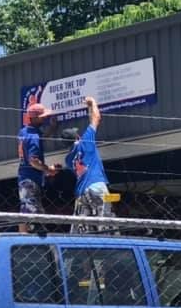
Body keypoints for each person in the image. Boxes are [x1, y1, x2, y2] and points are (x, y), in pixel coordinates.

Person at [64, 96, 111, 226]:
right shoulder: (86, 142)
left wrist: (89, 107)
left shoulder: (68, 159)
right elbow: (96, 118)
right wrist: (92, 103)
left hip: (81, 193)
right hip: (97, 186)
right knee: (107, 226)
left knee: (84, 230)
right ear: (77, 137)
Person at [17, 103, 58, 233]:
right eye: (42, 116)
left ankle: (23, 236)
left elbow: (41, 137)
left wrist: (52, 128)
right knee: (33, 213)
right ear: (34, 118)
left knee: (26, 209)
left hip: (24, 178)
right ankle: (26, 236)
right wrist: (48, 169)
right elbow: (33, 161)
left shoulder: (24, 131)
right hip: (31, 180)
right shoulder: (33, 136)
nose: (45, 118)